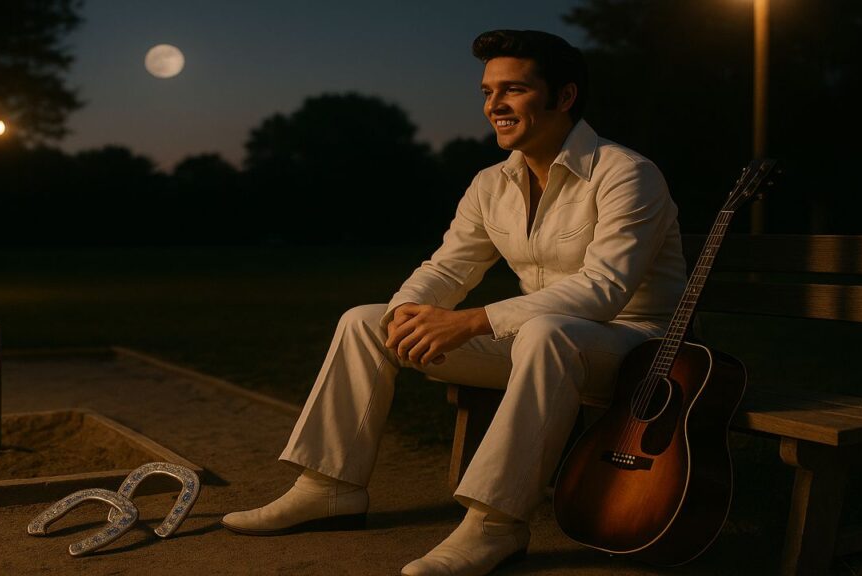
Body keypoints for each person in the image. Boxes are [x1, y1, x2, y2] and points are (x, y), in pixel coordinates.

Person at [221, 29, 687, 576]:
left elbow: (604, 289)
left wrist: (472, 322)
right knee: (366, 322)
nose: (495, 105)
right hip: (542, 344)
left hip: (637, 352)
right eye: (488, 92)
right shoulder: (491, 183)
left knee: (546, 334)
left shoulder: (626, 173)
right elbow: (447, 268)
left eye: (513, 90)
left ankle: (495, 525)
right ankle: (329, 487)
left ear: (564, 97)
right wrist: (404, 314)